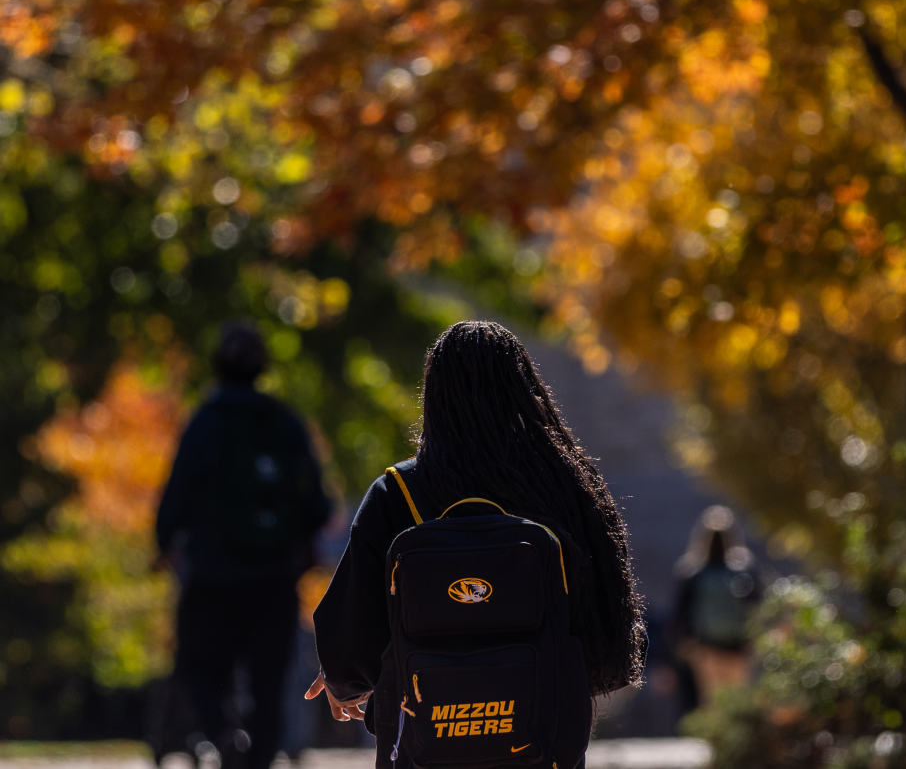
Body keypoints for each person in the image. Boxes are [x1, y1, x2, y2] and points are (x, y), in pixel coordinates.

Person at [306, 320, 645, 762]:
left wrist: (342, 679)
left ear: (433, 397)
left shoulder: (398, 492)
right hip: (539, 740)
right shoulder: (565, 486)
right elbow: (603, 617)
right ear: (524, 390)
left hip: (426, 741)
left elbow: (355, 627)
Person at [156, 321, 331, 769]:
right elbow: (317, 503)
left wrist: (163, 544)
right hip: (273, 577)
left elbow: (175, 494)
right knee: (268, 684)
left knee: (201, 668)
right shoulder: (284, 424)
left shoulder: (205, 423)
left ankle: (221, 737)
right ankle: (258, 757)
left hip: (211, 573)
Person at [672, 504, 760, 707]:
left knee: (711, 699)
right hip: (740, 645)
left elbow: (681, 611)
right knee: (739, 698)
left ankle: (716, 737)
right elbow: (756, 605)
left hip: (706, 646)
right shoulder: (742, 569)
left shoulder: (693, 572)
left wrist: (682, 645)